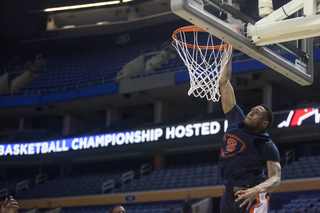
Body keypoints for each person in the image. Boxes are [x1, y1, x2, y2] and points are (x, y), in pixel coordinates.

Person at [218, 51, 281, 213]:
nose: (252, 112)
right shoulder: (235, 119)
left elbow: (275, 178)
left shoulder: (265, 144)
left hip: (251, 194)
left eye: (258, 113)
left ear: (264, 123)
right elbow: (224, 82)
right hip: (229, 195)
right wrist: (227, 50)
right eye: (252, 110)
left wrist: (257, 190)